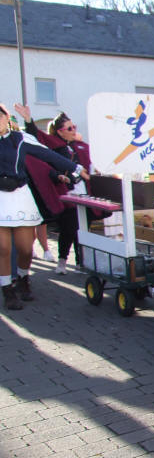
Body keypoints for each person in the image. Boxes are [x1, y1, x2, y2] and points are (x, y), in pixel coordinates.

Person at [1, 103, 89, 310]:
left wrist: (75, 167)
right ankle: (7, 290)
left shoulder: (20, 139)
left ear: (6, 117)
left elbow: (48, 154)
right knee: (3, 249)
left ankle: (23, 278)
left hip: (19, 196)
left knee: (24, 249)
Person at [15, 104, 92, 275]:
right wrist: (28, 120)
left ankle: (81, 262)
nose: (73, 130)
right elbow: (37, 138)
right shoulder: (54, 144)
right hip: (66, 193)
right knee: (69, 227)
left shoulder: (77, 146)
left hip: (83, 192)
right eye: (70, 128)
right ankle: (62, 261)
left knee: (84, 227)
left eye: (75, 127)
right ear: (59, 131)